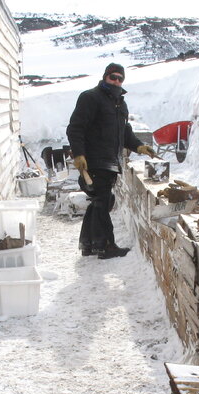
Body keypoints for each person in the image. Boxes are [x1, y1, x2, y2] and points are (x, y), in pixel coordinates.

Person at [66, 62, 155, 258]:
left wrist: (139, 146)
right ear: (105, 76)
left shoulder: (119, 103)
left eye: (120, 78)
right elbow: (75, 128)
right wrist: (79, 154)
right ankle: (105, 245)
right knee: (102, 202)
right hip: (94, 161)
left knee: (100, 202)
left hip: (110, 161)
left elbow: (124, 132)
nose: (116, 81)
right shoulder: (90, 98)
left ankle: (89, 244)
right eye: (113, 77)